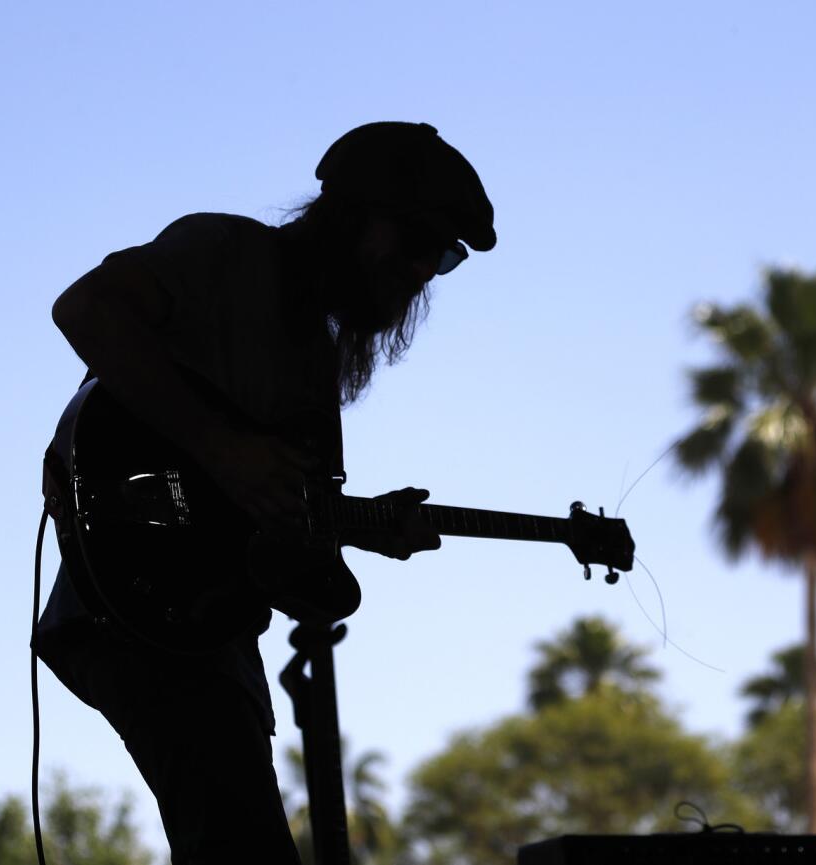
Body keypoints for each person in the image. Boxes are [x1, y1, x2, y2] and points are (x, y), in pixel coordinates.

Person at [34, 121, 496, 863]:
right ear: (352, 217)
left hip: (209, 628)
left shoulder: (313, 354)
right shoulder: (227, 251)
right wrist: (224, 450)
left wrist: (353, 527)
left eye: (443, 259)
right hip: (133, 604)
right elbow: (86, 309)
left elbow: (259, 525)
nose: (423, 272)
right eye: (418, 244)